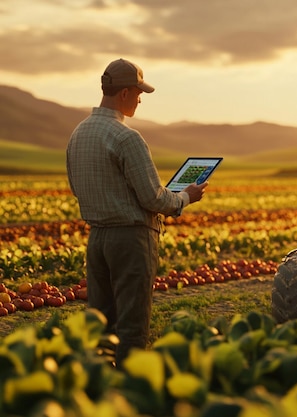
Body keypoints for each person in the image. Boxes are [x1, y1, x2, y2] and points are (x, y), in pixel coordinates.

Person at [66, 58, 207, 367]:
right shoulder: (127, 137)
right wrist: (185, 196)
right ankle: (131, 392)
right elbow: (154, 198)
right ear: (126, 93)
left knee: (100, 324)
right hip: (131, 240)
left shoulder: (79, 133)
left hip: (97, 240)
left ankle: (98, 388)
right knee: (132, 325)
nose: (141, 100)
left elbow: (77, 188)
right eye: (139, 93)